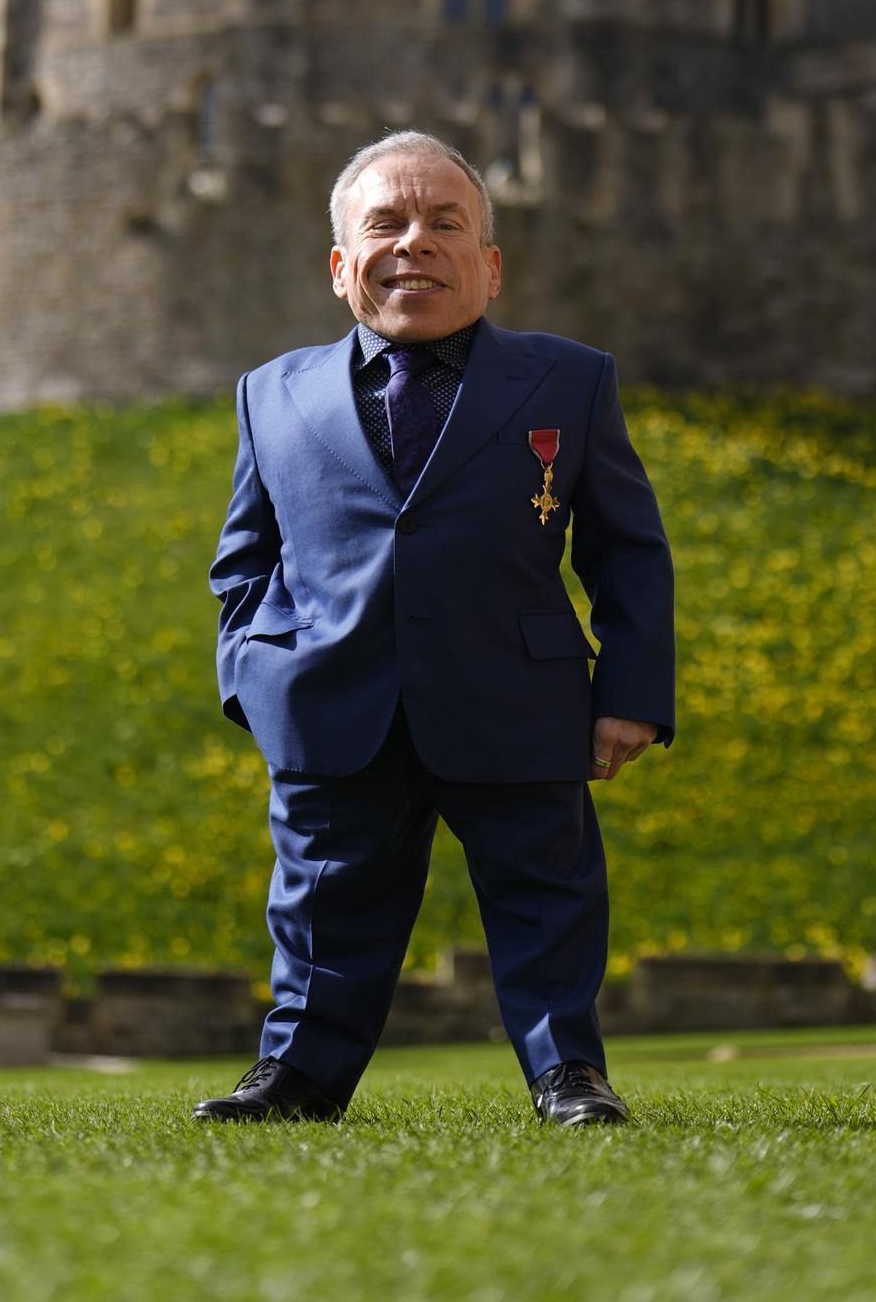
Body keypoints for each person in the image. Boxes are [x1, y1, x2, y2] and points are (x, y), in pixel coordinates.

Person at [196, 130, 676, 1128]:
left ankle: (567, 1076)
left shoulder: (568, 381)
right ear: (341, 267)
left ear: (489, 265)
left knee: (544, 901)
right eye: (386, 223)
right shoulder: (270, 394)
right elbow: (244, 560)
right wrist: (254, 676)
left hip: (516, 696)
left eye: (444, 222)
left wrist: (631, 692)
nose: (414, 241)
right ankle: (299, 1076)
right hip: (333, 707)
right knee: (324, 905)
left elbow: (626, 548)